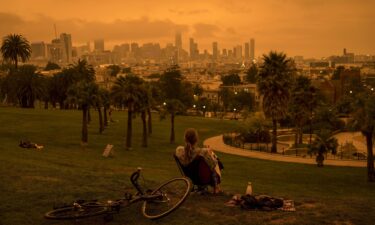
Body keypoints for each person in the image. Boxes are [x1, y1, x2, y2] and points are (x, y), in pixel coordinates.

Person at [175, 128, 222, 194]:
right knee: (214, 160)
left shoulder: (179, 150)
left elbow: (190, 152)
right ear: (196, 139)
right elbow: (213, 165)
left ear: (185, 139)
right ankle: (216, 187)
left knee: (211, 158)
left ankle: (201, 188)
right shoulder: (202, 152)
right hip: (202, 178)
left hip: (190, 177)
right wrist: (211, 154)